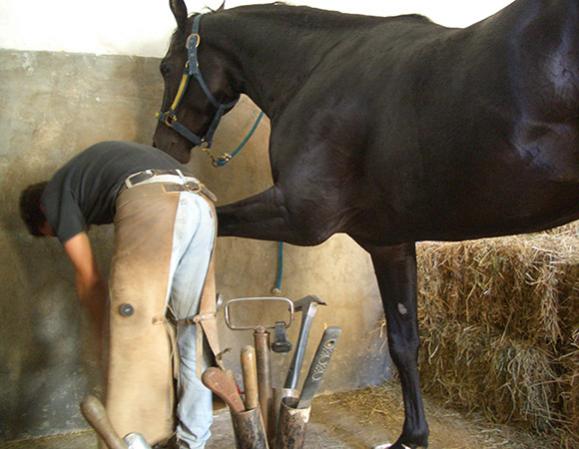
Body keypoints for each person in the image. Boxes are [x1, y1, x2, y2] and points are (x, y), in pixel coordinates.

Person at [19, 140, 218, 449]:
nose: (64, 234)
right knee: (192, 326)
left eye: (55, 232)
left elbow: (89, 277)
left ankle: (135, 441)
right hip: (200, 200)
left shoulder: (54, 194)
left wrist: (102, 335)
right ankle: (194, 440)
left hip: (153, 202)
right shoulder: (89, 176)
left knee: (133, 329)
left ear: (42, 213)